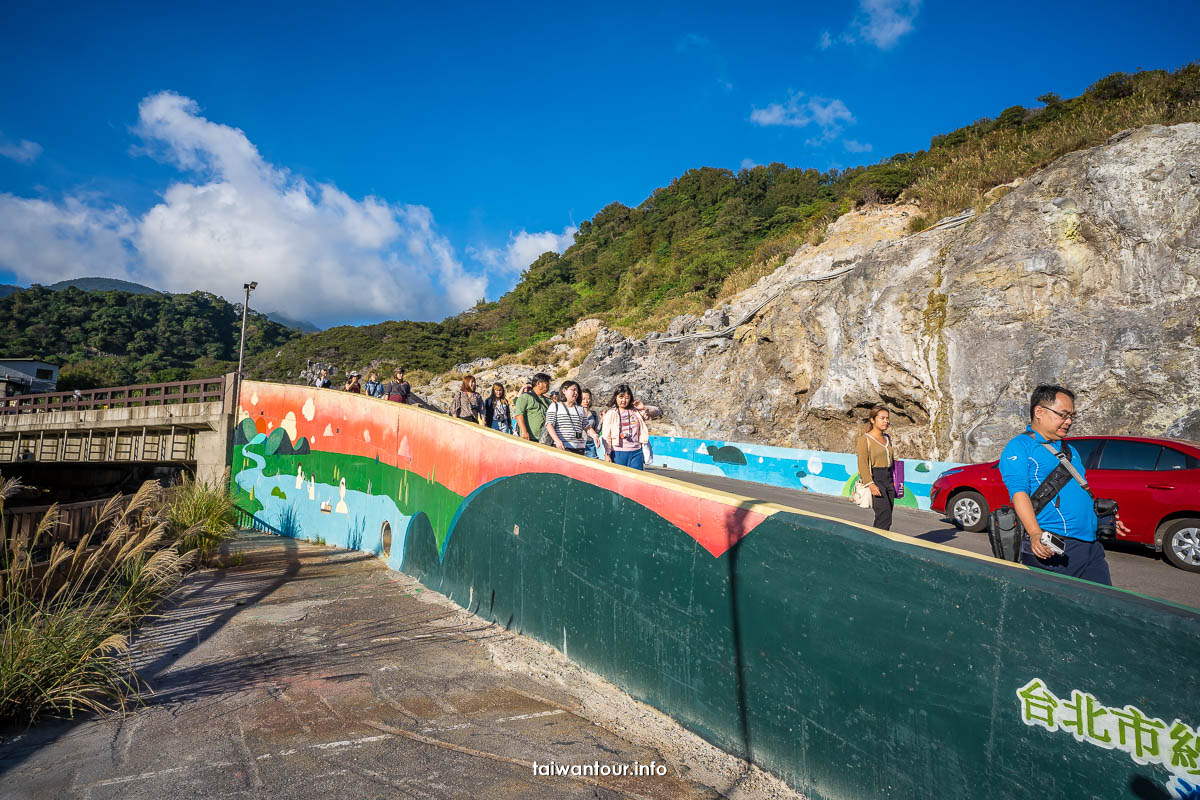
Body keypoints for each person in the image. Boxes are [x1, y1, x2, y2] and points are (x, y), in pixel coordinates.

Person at [998, 384, 1126, 585]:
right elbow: (1019, 493)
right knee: (1053, 612)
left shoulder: (1069, 449)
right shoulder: (1020, 446)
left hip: (1091, 546)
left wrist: (1101, 518)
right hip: (1054, 546)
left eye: (1072, 416)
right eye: (1063, 415)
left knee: (1103, 607)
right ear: (1039, 411)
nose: (1069, 421)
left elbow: (1077, 492)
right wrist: (1034, 534)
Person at [856, 405, 897, 531]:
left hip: (888, 479)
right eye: (882, 418)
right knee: (884, 517)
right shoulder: (865, 439)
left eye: (887, 418)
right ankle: (875, 545)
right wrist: (870, 484)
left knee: (887, 516)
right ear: (872, 420)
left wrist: (895, 480)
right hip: (876, 479)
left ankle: (877, 543)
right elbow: (862, 463)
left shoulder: (887, 438)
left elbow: (890, 460)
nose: (886, 421)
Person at [545, 380, 605, 457]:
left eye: (577, 391)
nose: (576, 393)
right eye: (573, 390)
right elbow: (549, 425)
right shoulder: (555, 406)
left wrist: (595, 436)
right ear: (564, 391)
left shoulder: (580, 409)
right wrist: (557, 441)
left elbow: (587, 427)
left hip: (580, 449)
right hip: (563, 447)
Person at [600, 384, 649, 469]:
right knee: (618, 480)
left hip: (636, 452)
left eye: (627, 397)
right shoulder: (611, 413)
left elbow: (657, 412)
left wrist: (644, 407)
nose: (624, 400)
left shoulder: (636, 412)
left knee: (636, 479)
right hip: (618, 452)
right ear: (616, 397)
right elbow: (606, 435)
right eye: (621, 397)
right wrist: (606, 454)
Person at [513, 373, 552, 442]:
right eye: (546, 383)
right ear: (539, 384)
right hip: (530, 438)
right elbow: (519, 415)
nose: (548, 385)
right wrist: (524, 432)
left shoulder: (547, 400)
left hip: (544, 438)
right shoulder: (525, 397)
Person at [581, 389, 602, 458]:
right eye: (583, 399)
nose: (586, 401)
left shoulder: (594, 414)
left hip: (590, 444)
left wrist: (602, 421)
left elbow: (597, 431)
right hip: (579, 443)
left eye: (588, 399)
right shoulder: (576, 412)